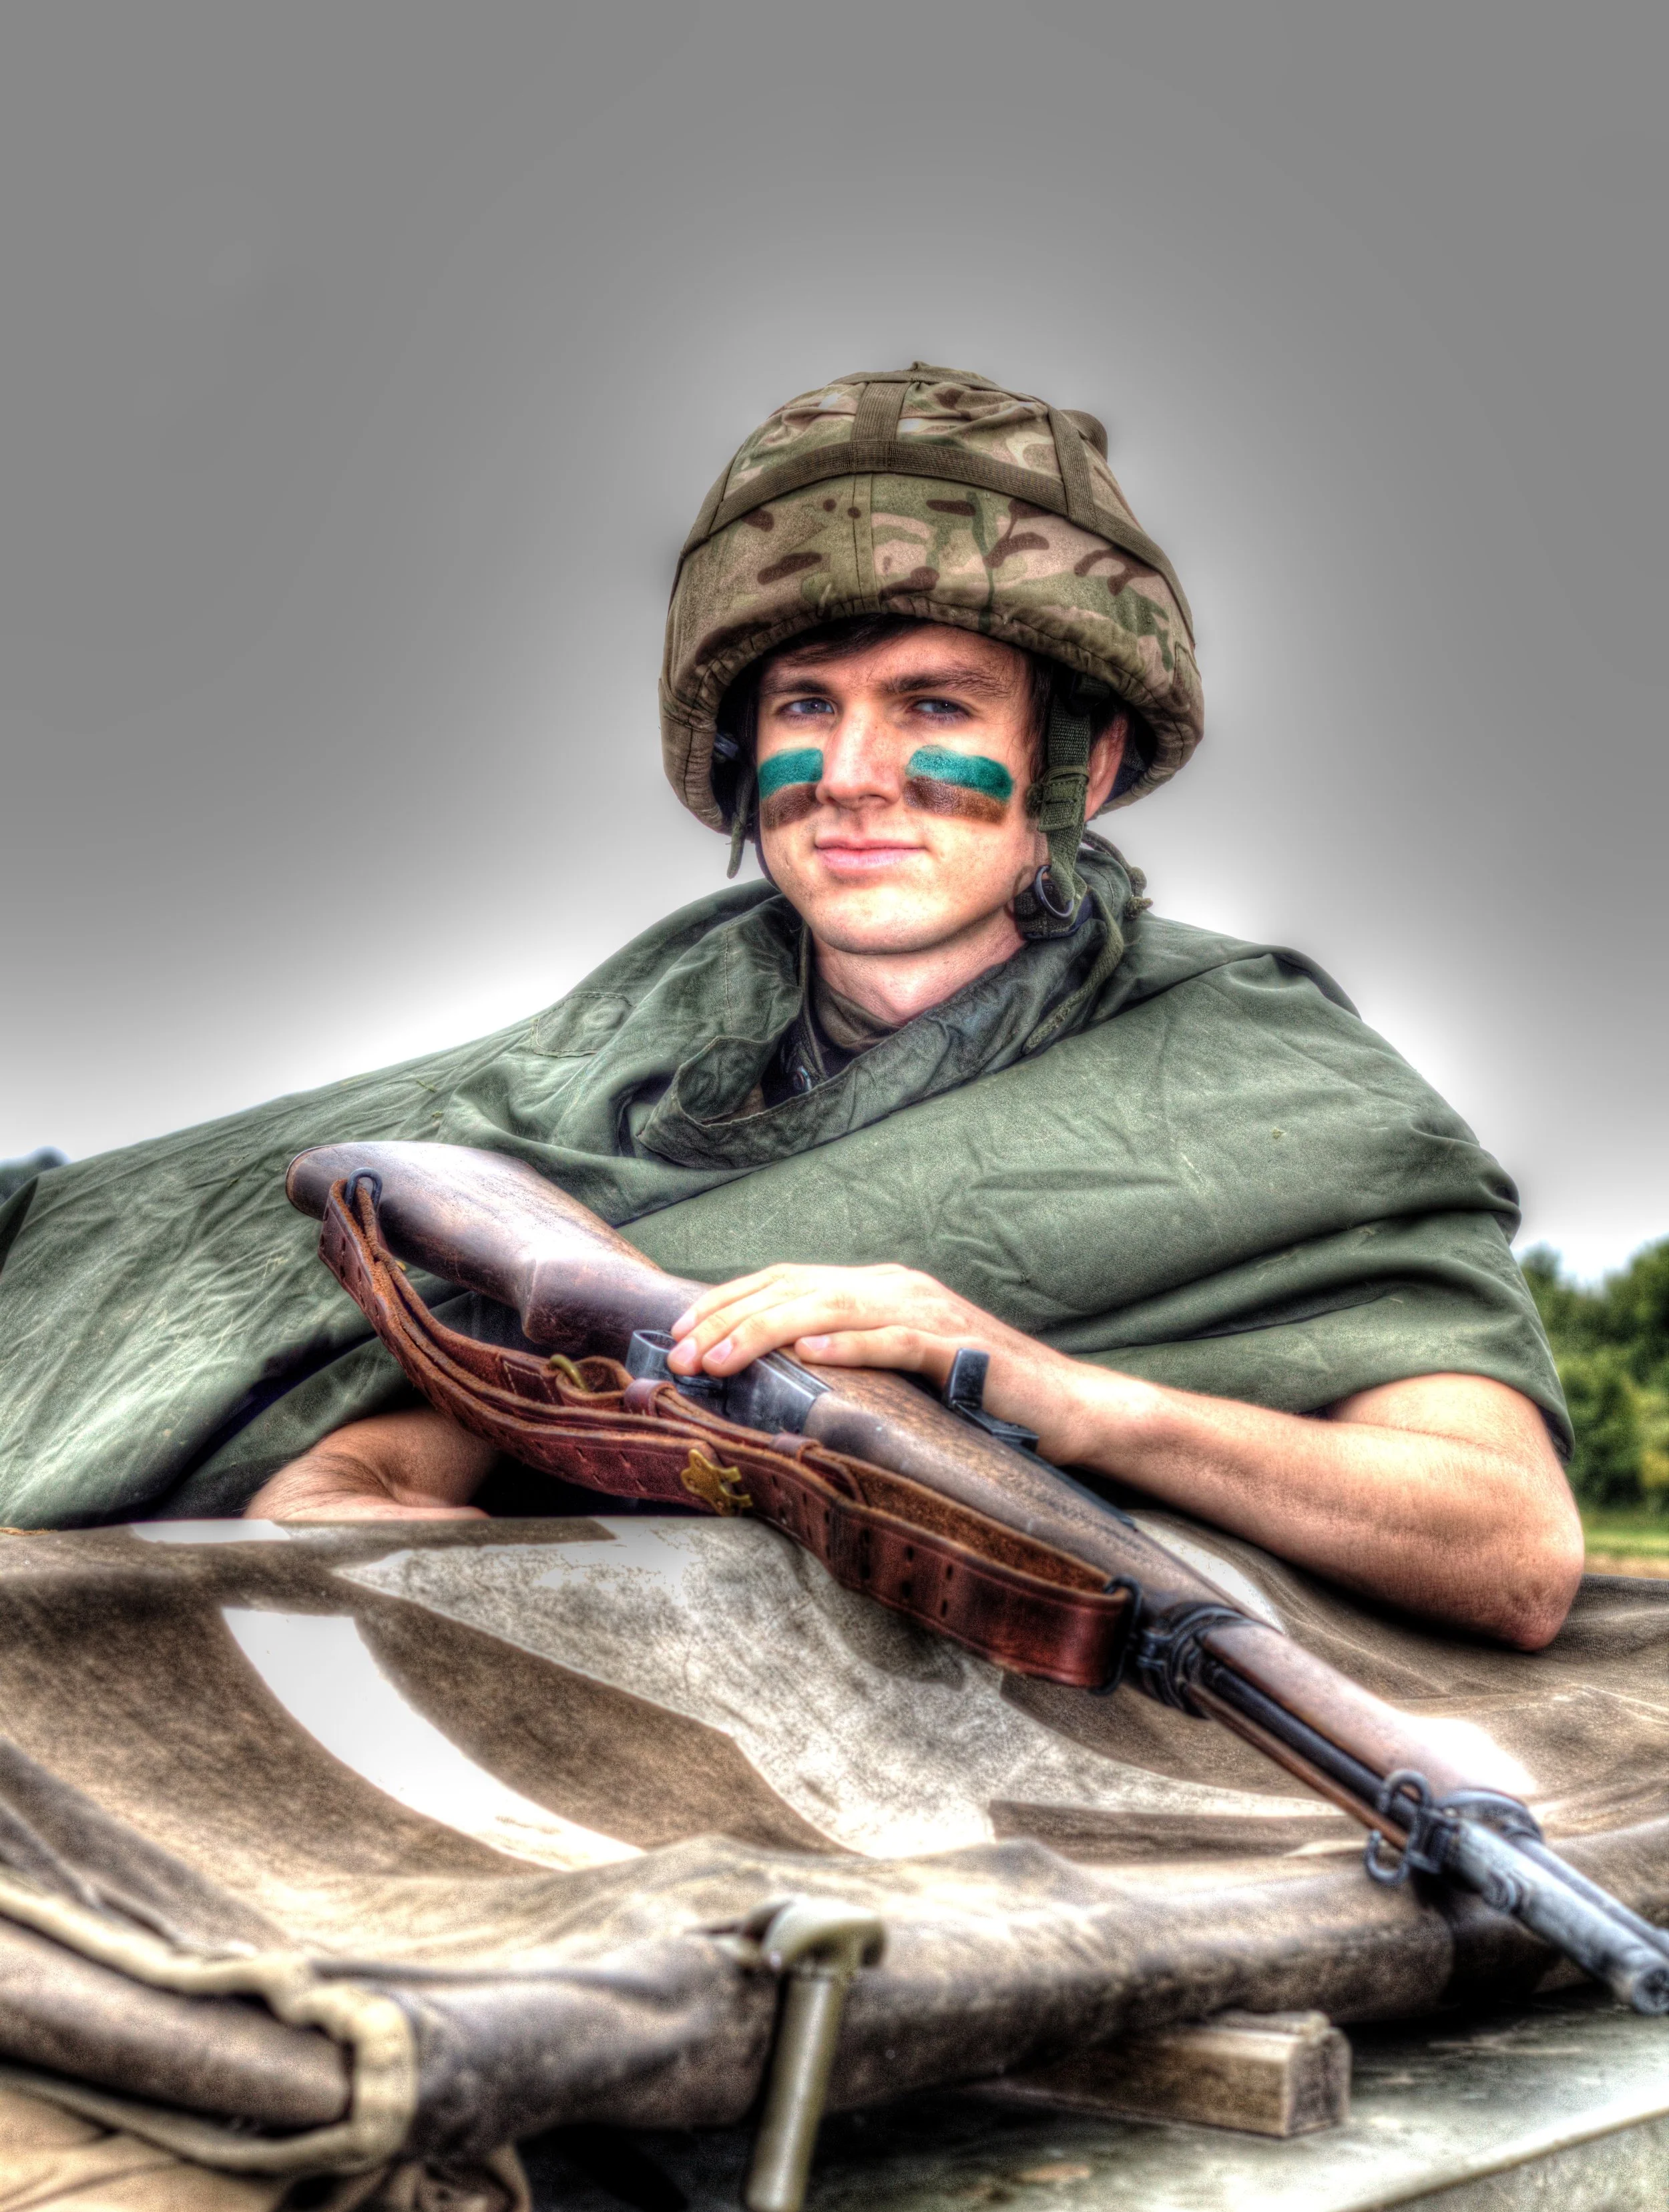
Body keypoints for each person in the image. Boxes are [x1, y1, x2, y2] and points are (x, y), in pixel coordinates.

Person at [1, 364, 1582, 1645]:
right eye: (804, 707)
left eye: (934, 706)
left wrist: (1036, 1388)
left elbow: (1505, 1548)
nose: (849, 774)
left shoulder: (1265, 1088)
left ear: (1076, 767)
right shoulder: (614, 1070)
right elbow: (402, 1417)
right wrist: (376, 1522)